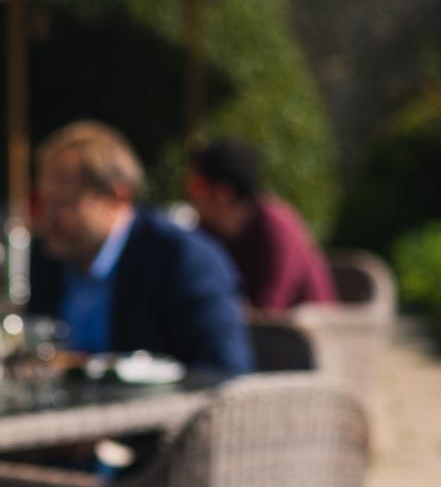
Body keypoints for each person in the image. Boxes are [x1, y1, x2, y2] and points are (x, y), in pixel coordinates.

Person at [29, 122, 252, 376]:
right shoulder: (49, 257)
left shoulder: (183, 261)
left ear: (117, 199)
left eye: (63, 203)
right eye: (45, 201)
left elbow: (225, 372)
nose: (47, 218)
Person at [186, 139, 336, 312]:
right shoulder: (208, 231)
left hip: (307, 327)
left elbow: (270, 309)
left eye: (197, 186)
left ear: (223, 193)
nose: (189, 194)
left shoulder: (275, 227)